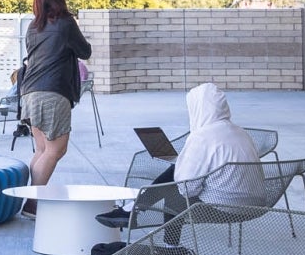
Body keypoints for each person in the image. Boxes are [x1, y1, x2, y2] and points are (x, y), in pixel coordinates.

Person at [99, 82, 267, 231]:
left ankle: (168, 249)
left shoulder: (202, 137)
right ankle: (133, 209)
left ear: (197, 108)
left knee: (173, 193)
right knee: (177, 171)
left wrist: (182, 168)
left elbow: (187, 189)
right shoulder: (241, 132)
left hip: (224, 208)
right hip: (255, 205)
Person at [12, 0, 90, 209]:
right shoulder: (65, 23)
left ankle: (26, 200)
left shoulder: (33, 27)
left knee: (43, 150)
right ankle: (32, 204)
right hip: (53, 92)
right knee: (56, 150)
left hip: (29, 93)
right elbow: (85, 51)